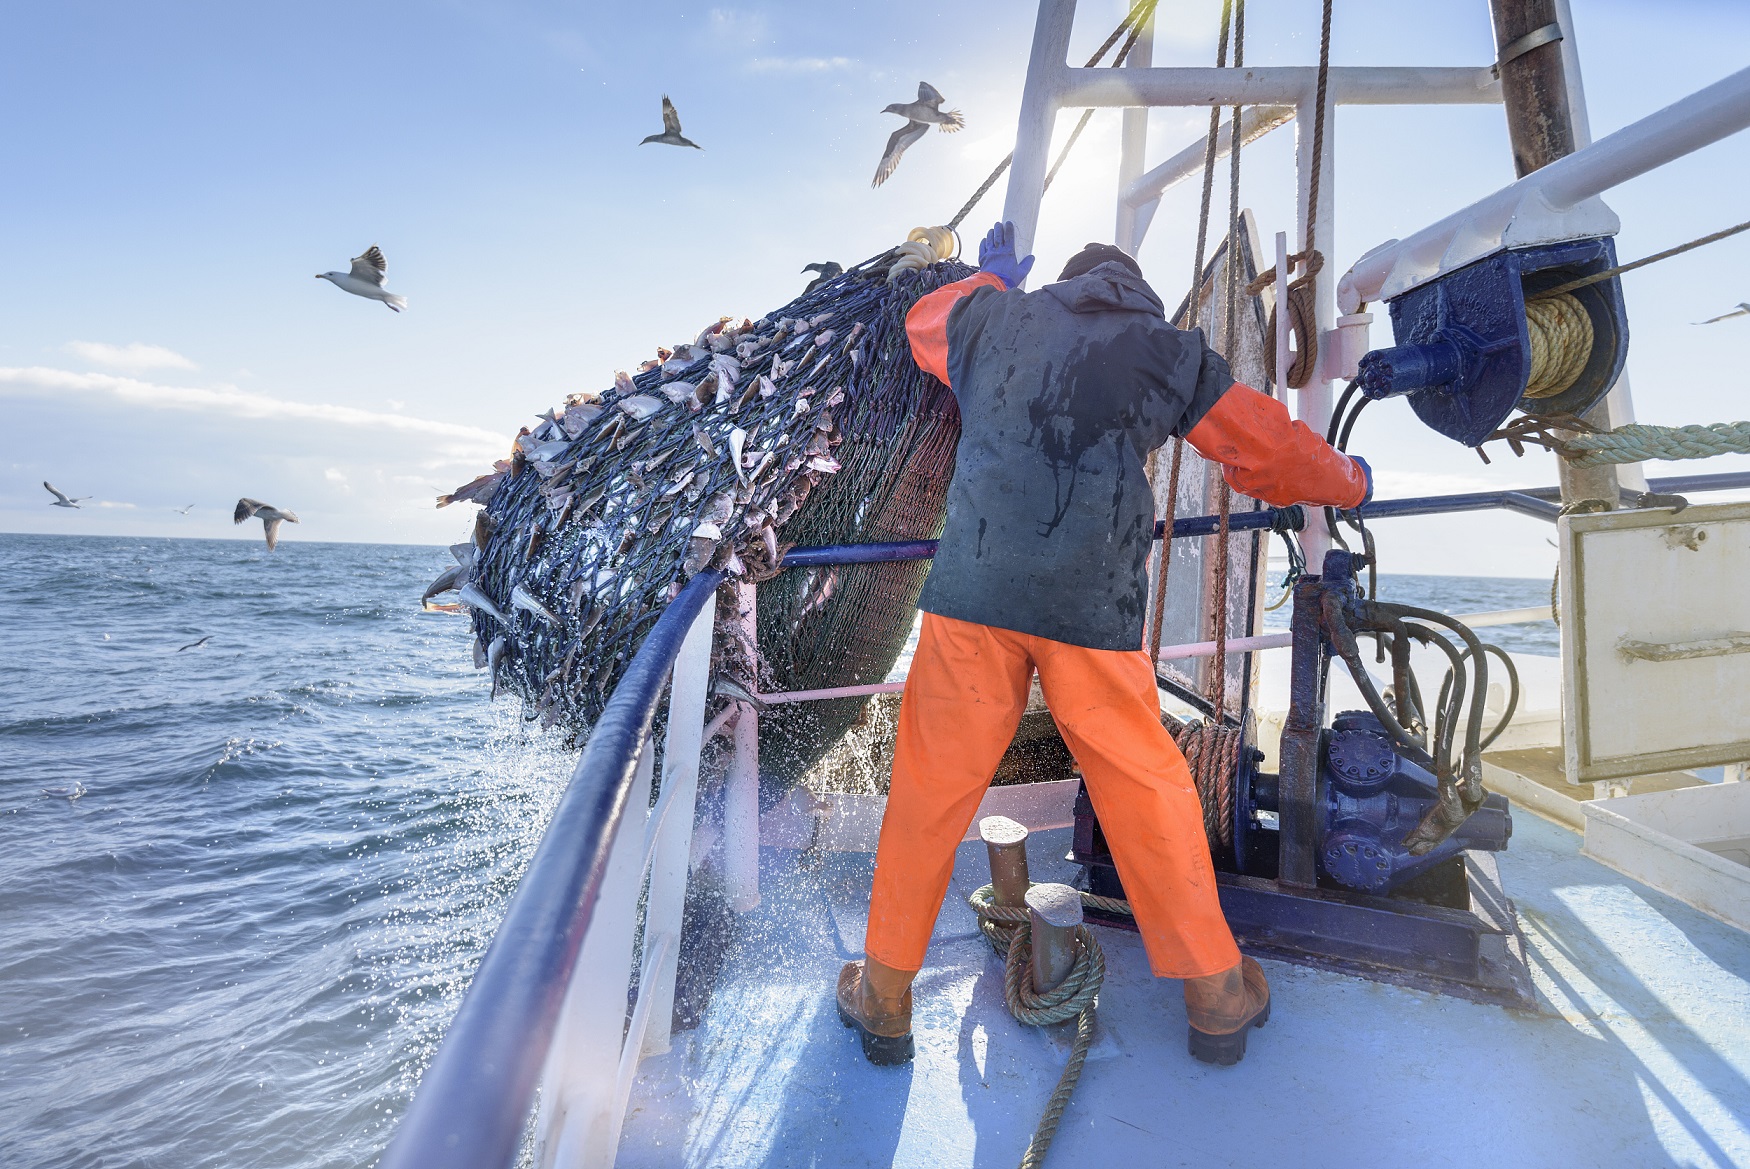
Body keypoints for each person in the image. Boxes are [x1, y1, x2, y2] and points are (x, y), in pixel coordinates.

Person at [836, 221, 1372, 1068]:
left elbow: (922, 321)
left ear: (1065, 285)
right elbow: (1264, 446)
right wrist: (1350, 479)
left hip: (974, 597)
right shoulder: (1164, 349)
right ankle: (1216, 994)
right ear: (1138, 298)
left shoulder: (994, 318)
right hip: (1092, 609)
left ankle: (886, 996)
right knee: (1148, 789)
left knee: (929, 792)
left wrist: (991, 281)